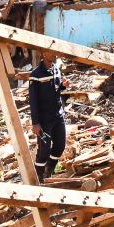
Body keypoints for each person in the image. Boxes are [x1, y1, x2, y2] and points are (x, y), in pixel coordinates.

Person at [28, 49, 66, 181]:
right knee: (44, 151)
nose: (53, 54)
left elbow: (57, 90)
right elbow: (33, 101)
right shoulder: (35, 74)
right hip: (44, 121)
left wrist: (63, 86)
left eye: (54, 52)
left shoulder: (56, 69)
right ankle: (38, 179)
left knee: (60, 146)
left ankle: (48, 173)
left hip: (58, 116)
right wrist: (35, 123)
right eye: (50, 52)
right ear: (43, 54)